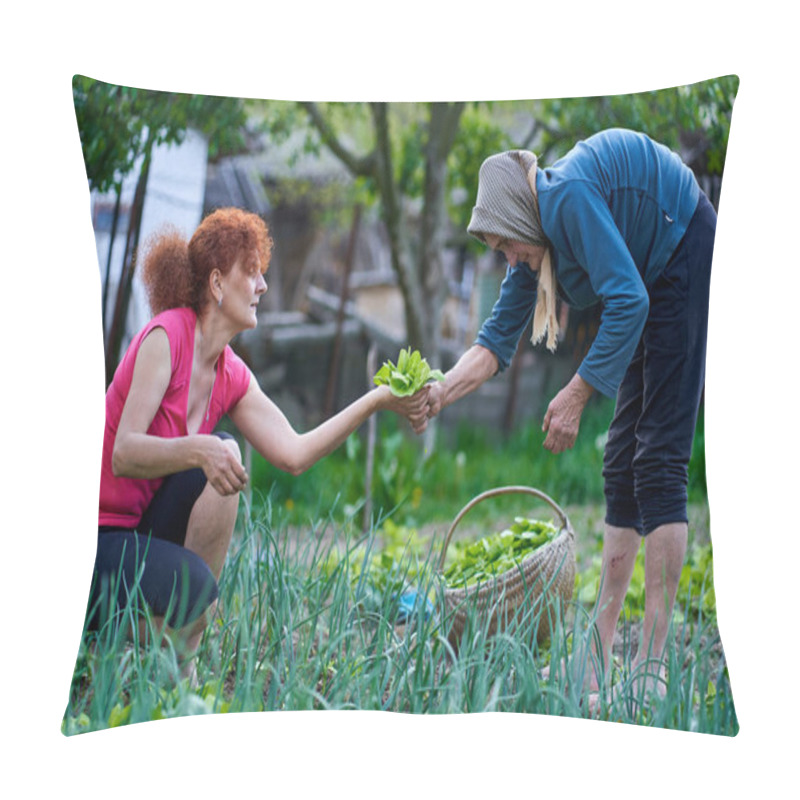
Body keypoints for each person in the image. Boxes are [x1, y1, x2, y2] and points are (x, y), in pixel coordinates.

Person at [407, 129, 716, 704]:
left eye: (506, 246)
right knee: (621, 460)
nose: (508, 260)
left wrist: (575, 395)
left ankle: (653, 665)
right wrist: (439, 392)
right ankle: (598, 653)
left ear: (519, 217)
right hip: (647, 276)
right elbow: (494, 343)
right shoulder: (533, 247)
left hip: (682, 248)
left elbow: (629, 300)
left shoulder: (567, 199)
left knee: (659, 457)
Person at [88, 207, 429, 674]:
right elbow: (124, 453)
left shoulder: (230, 373)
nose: (263, 286)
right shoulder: (165, 339)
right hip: (94, 539)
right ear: (215, 284)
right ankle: (116, 636)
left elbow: (295, 453)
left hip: (140, 532)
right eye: (251, 274)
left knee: (223, 461)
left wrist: (376, 401)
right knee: (215, 461)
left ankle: (175, 661)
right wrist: (199, 449)